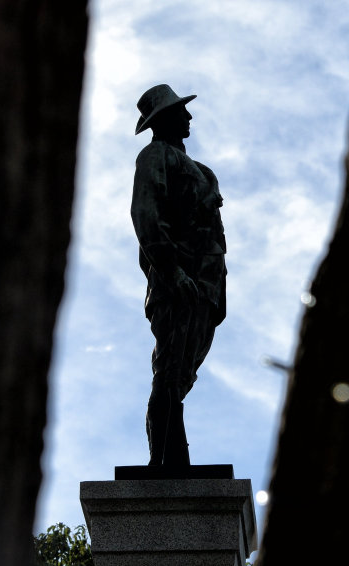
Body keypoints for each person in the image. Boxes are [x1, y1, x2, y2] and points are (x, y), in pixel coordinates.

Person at [130, 84, 226, 466]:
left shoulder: (202, 171)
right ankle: (166, 463)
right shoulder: (155, 157)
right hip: (179, 282)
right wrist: (172, 273)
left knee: (181, 375)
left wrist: (211, 288)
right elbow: (147, 217)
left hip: (206, 285)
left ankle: (174, 459)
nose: (188, 117)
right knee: (169, 372)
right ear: (164, 120)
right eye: (180, 112)